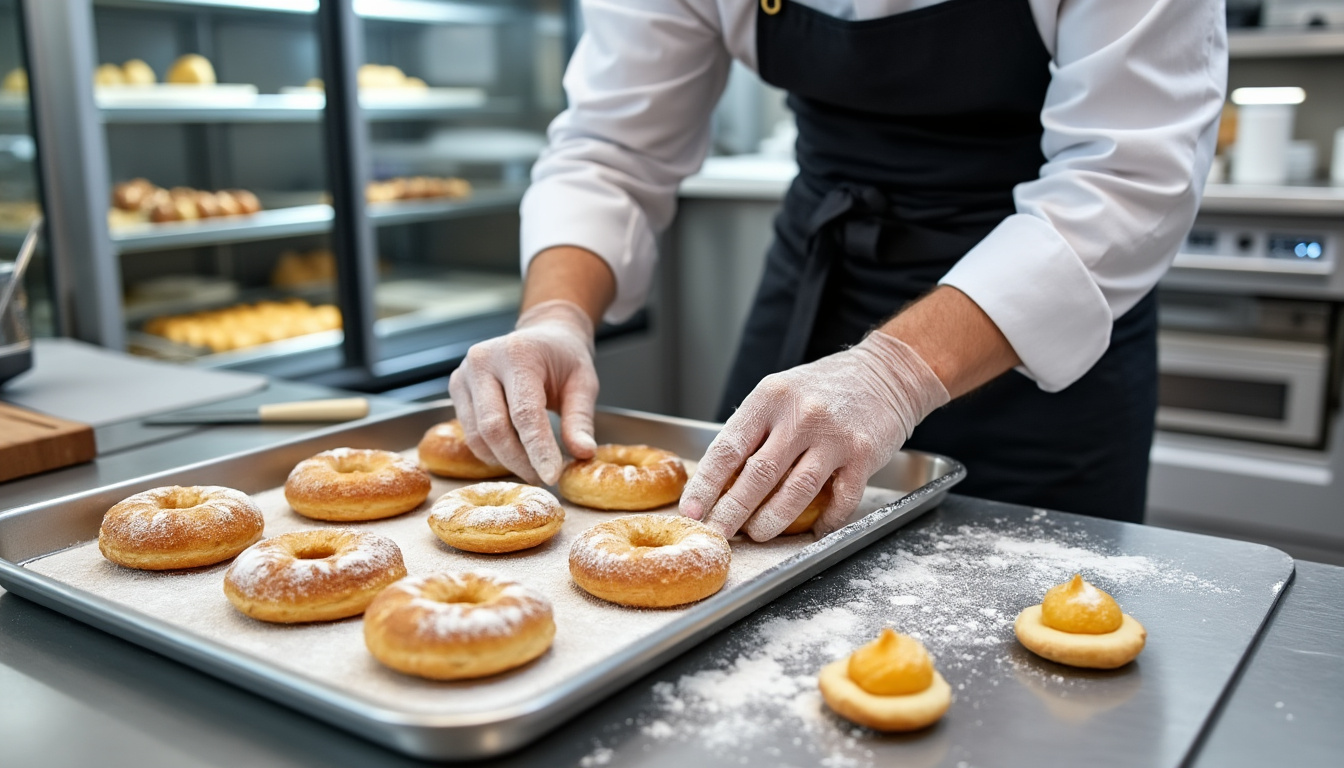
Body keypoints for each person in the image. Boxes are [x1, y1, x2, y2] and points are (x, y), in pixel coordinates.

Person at [449, 0, 1227, 540]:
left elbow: (1127, 179)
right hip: (825, 265)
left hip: (1038, 300)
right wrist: (555, 313)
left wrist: (895, 371)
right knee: (740, 564)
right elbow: (611, 149)